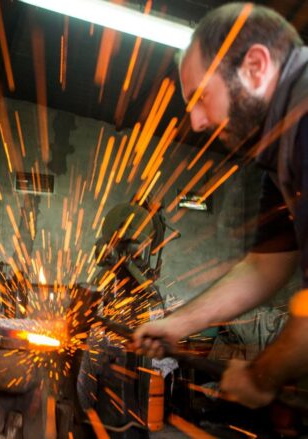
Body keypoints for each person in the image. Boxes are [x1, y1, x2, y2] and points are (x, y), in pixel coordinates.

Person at [133, 2, 308, 409]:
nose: (195, 121)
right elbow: (265, 265)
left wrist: (262, 376)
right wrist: (179, 323)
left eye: (200, 96)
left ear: (256, 66)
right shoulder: (280, 153)